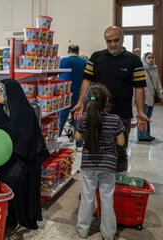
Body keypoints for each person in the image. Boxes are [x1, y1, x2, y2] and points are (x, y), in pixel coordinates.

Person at [0, 79, 50, 230]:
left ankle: (16, 216)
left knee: (15, 176)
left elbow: (27, 141)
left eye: (0, 91)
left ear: (10, 94)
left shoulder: (25, 112)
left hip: (21, 156)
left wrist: (11, 154)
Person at [72, 26, 150, 172]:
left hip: (122, 114)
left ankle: (116, 187)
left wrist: (140, 111)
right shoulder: (96, 57)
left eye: (116, 40)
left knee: (120, 150)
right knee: (92, 148)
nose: (112, 44)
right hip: (95, 112)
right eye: (109, 41)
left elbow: (139, 87)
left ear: (122, 39)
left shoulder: (134, 61)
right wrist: (80, 103)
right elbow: (86, 81)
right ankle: (92, 187)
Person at [75, 83, 125, 240]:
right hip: (108, 165)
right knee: (107, 199)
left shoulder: (85, 119)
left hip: (89, 164)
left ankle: (83, 231)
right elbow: (121, 142)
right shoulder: (115, 120)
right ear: (106, 101)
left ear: (89, 101)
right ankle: (108, 233)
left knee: (87, 198)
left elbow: (77, 137)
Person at [57, 44, 87, 151]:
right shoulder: (84, 62)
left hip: (64, 94)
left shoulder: (63, 61)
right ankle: (79, 144)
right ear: (78, 51)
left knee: (61, 118)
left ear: (68, 51)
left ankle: (55, 141)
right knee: (77, 119)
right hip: (79, 95)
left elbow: (56, 75)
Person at [137, 52, 163, 141]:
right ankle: (142, 136)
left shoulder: (154, 69)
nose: (151, 59)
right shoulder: (141, 69)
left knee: (148, 117)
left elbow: (158, 83)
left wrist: (161, 95)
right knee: (143, 117)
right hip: (143, 98)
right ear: (145, 59)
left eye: (152, 57)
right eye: (149, 58)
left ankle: (147, 134)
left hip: (151, 97)